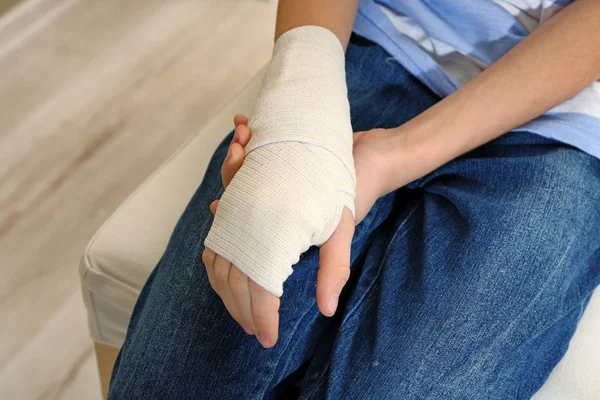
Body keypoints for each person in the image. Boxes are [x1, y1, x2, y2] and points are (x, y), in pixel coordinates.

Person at [107, 0, 600, 398]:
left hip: (568, 114)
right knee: (173, 380)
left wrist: (393, 155)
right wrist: (300, 108)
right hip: (380, 39)